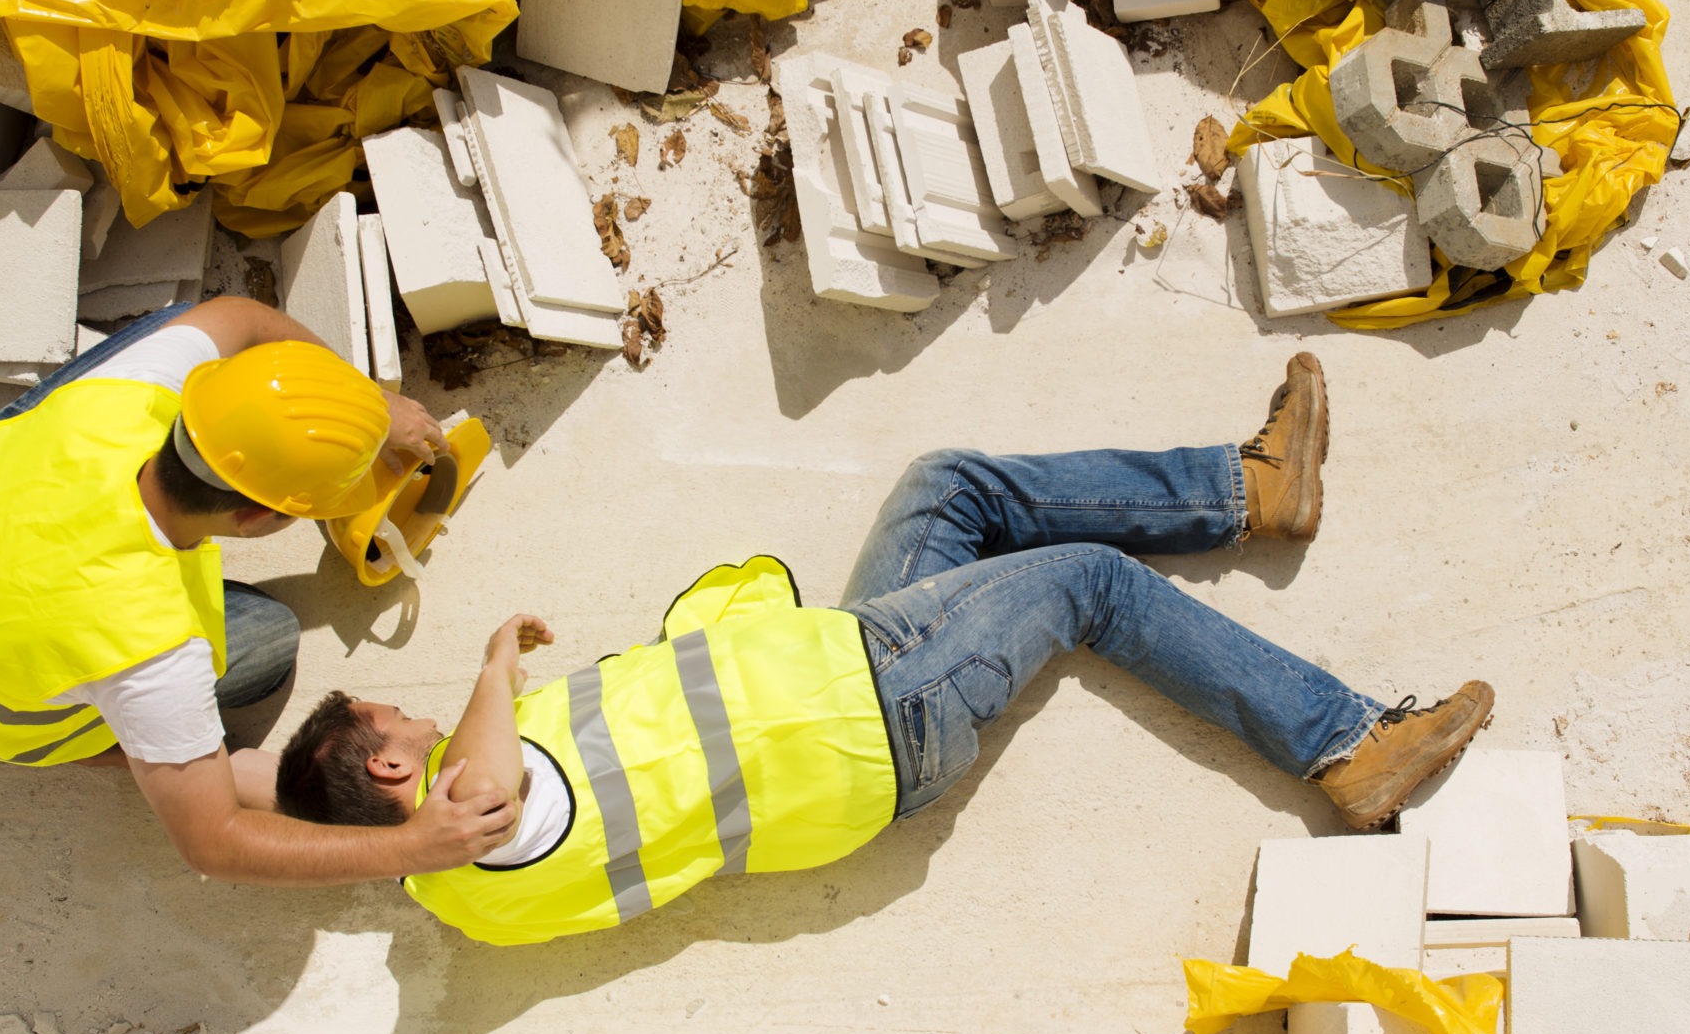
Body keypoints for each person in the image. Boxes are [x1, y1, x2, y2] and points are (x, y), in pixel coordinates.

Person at [273, 355, 1493, 944]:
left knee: (945, 488)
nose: (424, 721)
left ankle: (1246, 490)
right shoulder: (473, 832)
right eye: (400, 725)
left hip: (837, 675)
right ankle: (1346, 742)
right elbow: (488, 789)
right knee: (1086, 584)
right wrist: (494, 663)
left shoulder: (462, 900)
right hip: (874, 713)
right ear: (391, 774)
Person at [0, 295, 514, 883]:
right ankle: (113, 744)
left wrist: (369, 406)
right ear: (256, 516)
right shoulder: (152, 642)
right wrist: (414, 847)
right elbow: (213, 844)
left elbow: (245, 318)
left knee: (184, 326)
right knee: (269, 638)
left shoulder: (129, 400)